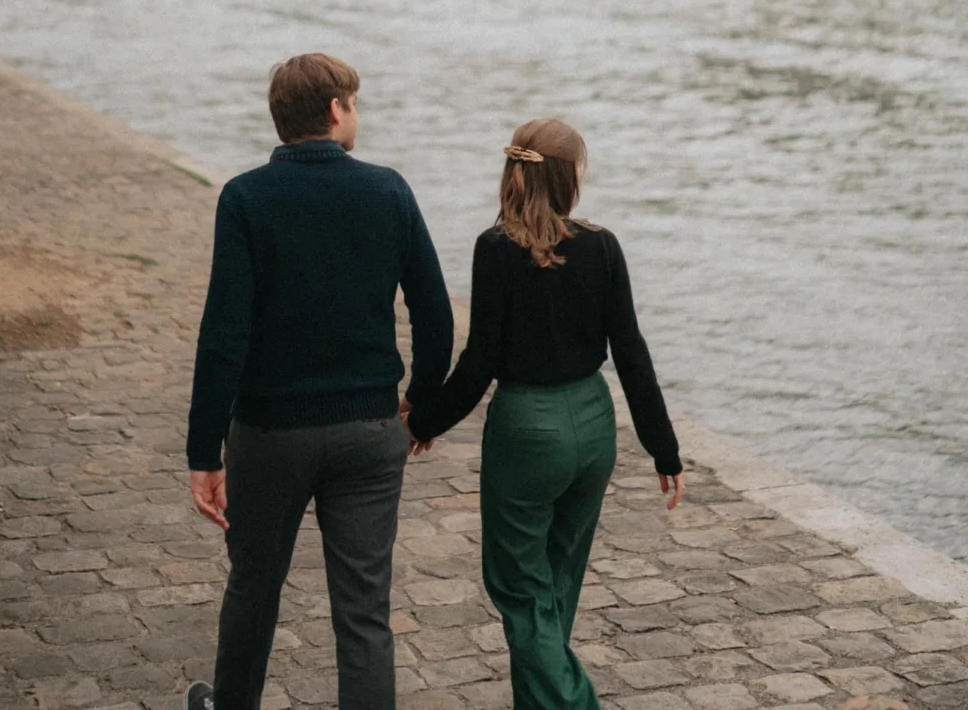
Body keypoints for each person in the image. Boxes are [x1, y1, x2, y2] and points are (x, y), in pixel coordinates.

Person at [184, 53, 454, 710]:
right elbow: (436, 313)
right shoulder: (389, 191)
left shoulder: (245, 198)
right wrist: (417, 403)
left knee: (253, 591)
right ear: (335, 110)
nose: (356, 115)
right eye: (355, 103)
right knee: (364, 614)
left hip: (270, 433)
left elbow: (224, 335)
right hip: (367, 431)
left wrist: (203, 451)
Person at [404, 118, 683, 710]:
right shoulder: (602, 245)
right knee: (557, 580)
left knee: (521, 589)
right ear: (569, 178)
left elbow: (479, 362)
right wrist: (664, 449)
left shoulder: (495, 249)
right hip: (594, 421)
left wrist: (422, 421)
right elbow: (631, 351)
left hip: (528, 431)